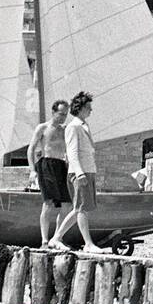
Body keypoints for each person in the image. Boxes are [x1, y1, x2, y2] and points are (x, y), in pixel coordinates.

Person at [50, 92, 108, 253]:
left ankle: (56, 238)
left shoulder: (83, 125)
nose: (91, 110)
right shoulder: (73, 126)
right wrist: (80, 173)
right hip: (80, 172)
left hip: (87, 171)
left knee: (79, 209)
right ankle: (88, 244)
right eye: (88, 107)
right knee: (82, 208)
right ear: (80, 108)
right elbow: (72, 152)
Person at [27, 98, 71, 247]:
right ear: (53, 112)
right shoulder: (43, 128)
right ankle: (44, 240)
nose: (63, 117)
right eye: (61, 114)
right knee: (48, 203)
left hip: (61, 165)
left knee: (67, 204)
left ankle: (57, 238)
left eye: (65, 114)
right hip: (47, 164)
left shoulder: (65, 130)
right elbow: (31, 149)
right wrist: (32, 170)